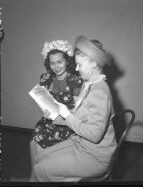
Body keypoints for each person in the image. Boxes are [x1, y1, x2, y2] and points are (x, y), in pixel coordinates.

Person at [31, 35, 117, 182]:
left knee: (40, 169)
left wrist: (67, 115)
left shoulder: (100, 92)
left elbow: (94, 135)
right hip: (80, 143)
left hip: (94, 156)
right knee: (40, 157)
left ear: (94, 64)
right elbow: (80, 115)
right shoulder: (89, 84)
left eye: (80, 65)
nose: (76, 68)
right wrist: (56, 117)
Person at [29, 39, 83, 181]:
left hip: (67, 124)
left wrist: (63, 115)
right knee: (34, 142)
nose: (56, 66)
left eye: (60, 62)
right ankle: (35, 176)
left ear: (67, 61)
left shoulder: (75, 80)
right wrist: (44, 110)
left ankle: (48, 175)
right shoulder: (45, 78)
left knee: (52, 154)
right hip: (48, 122)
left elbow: (77, 110)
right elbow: (43, 101)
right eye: (52, 63)